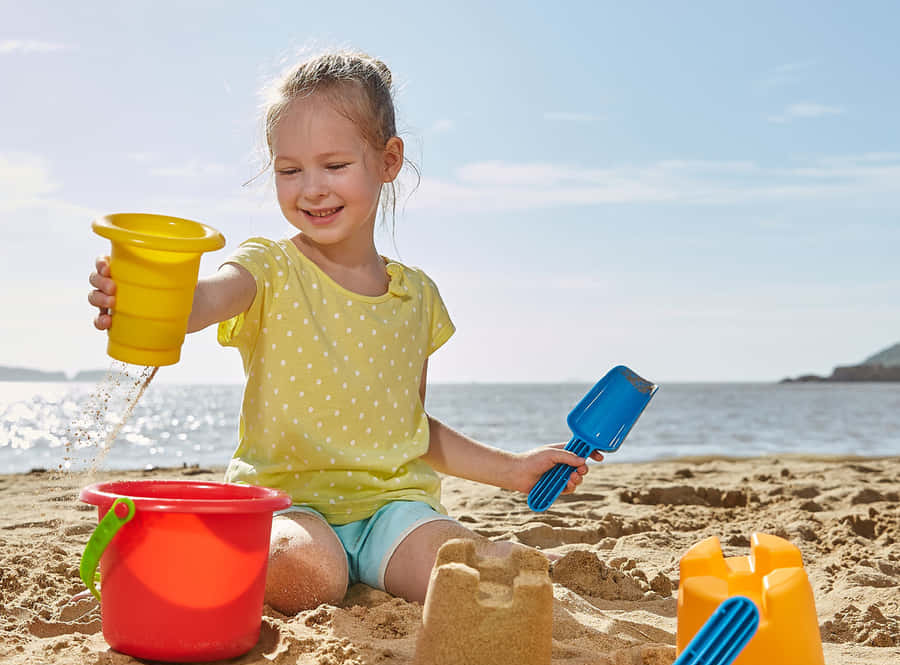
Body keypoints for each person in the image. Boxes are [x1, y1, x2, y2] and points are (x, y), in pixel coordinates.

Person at [88, 49, 601, 614]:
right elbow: (204, 299)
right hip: (289, 502)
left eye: (334, 166)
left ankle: (457, 557)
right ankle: (243, 555)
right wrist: (147, 301)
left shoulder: (416, 297)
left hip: (393, 508)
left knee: (462, 570)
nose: (311, 189)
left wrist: (511, 469)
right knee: (304, 572)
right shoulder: (269, 267)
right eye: (289, 170)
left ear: (388, 160)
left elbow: (413, 429)